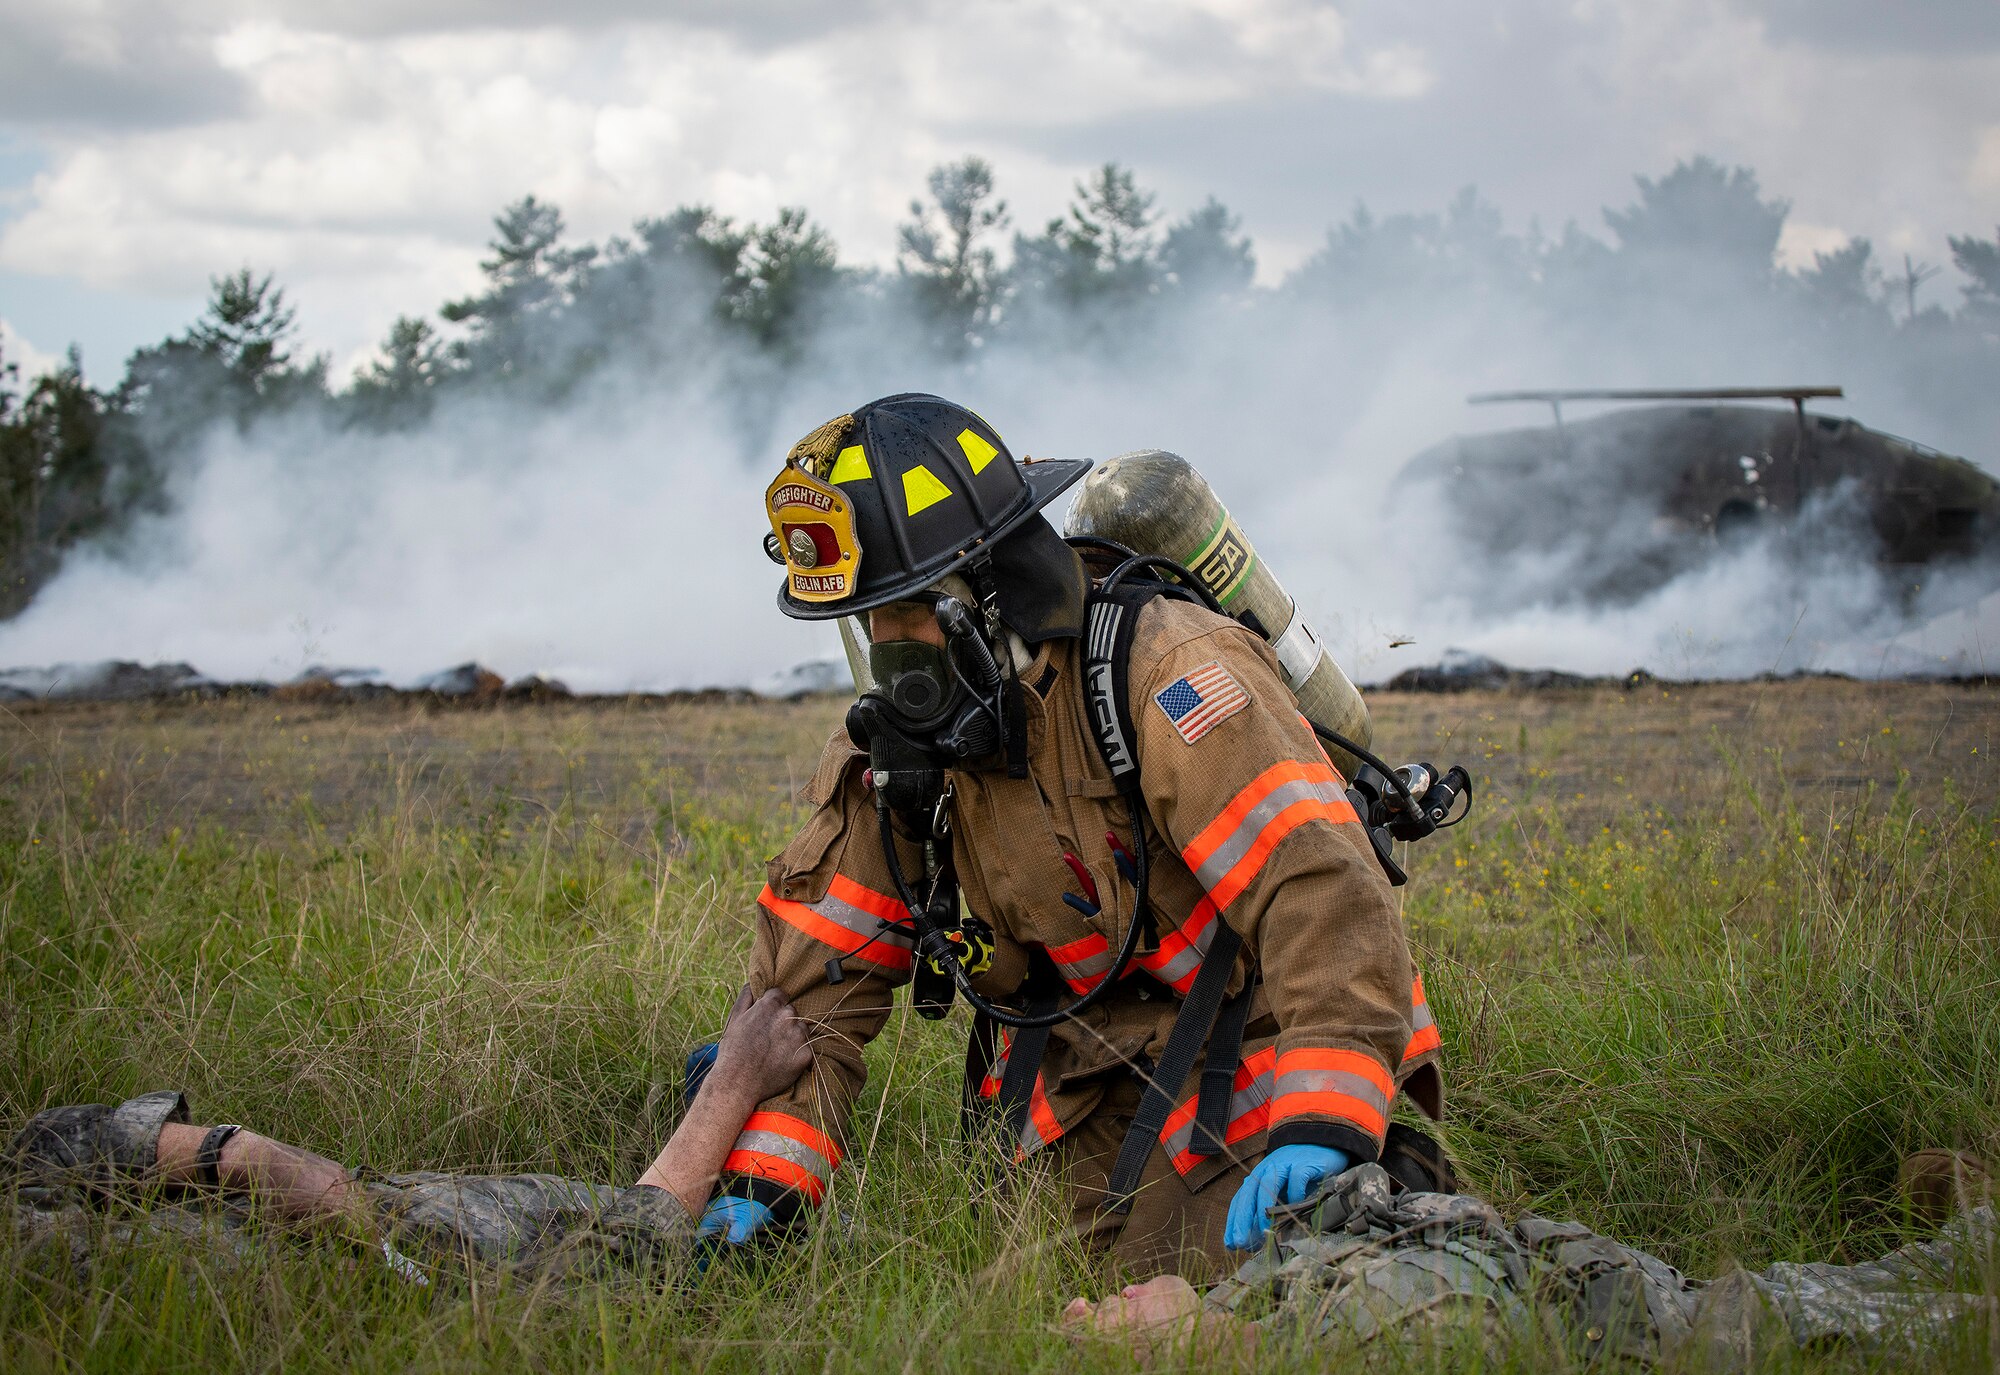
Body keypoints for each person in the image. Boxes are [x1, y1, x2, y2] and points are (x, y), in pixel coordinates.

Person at [707, 394, 1444, 1276]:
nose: (892, 655)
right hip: (1091, 1074)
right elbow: (815, 981)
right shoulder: (902, 753)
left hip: (1263, 1039)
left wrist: (1326, 1117)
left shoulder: (1168, 673)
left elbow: (1320, 887)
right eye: (870, 624)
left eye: (909, 613)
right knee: (1019, 1290)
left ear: (991, 589)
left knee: (1247, 1287)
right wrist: (760, 1187)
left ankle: (1392, 1190)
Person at [7, 988, 812, 1283]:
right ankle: (728, 1103)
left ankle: (725, 1116)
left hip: (342, 1226)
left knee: (586, 1241)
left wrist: (237, 1155)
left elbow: (44, 1142)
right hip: (353, 1272)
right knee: (615, 1264)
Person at [1062, 1152, 1999, 1369]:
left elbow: (1380, 1201)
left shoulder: (1261, 1300)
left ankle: (1965, 1232)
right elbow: (1458, 1304)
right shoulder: (1329, 1335)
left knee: (1813, 1290)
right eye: (1112, 1321)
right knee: (1879, 1327)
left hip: (1624, 1281)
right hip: (1673, 1333)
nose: (1105, 1297)